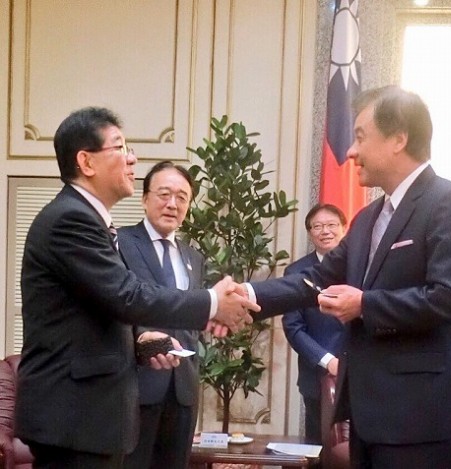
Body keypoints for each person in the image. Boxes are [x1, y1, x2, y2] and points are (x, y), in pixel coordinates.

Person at [250, 85, 451, 468]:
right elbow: (315, 279)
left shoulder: (447, 202)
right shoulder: (367, 218)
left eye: (360, 137)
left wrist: (364, 304)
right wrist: (245, 296)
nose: (351, 151)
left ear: (398, 139)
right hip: (367, 415)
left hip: (418, 418)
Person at [16, 107, 258, 469]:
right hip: (75, 418)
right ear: (86, 161)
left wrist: (138, 340)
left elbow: (99, 309)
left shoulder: (90, 220)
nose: (132, 159)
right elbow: (127, 295)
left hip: (89, 419)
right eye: (120, 147)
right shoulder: (71, 219)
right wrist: (211, 302)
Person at [118, 161, 203, 469]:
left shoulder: (193, 257)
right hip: (135, 386)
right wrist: (140, 337)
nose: (172, 204)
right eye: (164, 194)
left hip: (183, 389)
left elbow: (192, 318)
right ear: (144, 198)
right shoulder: (119, 243)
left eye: (182, 197)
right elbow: (110, 307)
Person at [282, 203, 348, 445]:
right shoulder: (296, 272)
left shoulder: (363, 266)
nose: (325, 231)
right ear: (310, 233)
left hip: (363, 374)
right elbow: (293, 327)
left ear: (344, 228)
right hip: (317, 376)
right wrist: (328, 361)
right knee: (319, 448)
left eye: (331, 225)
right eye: (318, 226)